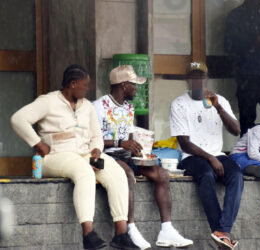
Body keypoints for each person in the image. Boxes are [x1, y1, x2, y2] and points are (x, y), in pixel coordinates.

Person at [11, 65, 138, 250]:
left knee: (117, 173)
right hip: (55, 156)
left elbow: (96, 136)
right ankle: (88, 234)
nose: (87, 89)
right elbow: (18, 119)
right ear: (72, 84)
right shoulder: (48, 101)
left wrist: (96, 151)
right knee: (84, 171)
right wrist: (38, 144)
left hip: (85, 155)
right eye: (84, 85)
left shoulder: (86, 106)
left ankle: (121, 234)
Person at [93, 65, 193, 249]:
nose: (137, 89)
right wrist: (118, 143)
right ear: (123, 85)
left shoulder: (128, 108)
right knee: (128, 174)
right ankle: (130, 228)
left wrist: (141, 150)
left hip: (125, 155)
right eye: (134, 84)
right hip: (107, 156)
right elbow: (92, 140)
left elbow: (130, 140)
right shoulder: (98, 106)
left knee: (161, 174)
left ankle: (166, 229)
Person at [170, 61, 243, 250]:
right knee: (207, 174)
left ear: (207, 79)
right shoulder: (179, 104)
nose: (198, 81)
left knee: (236, 175)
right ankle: (220, 232)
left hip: (218, 154)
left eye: (201, 77)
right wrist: (210, 158)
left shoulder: (220, 100)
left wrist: (219, 108)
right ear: (187, 80)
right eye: (193, 78)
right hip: (190, 157)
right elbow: (184, 143)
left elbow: (236, 131)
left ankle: (222, 231)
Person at [224, 0, 260, 136]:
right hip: (245, 75)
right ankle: (246, 152)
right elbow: (228, 45)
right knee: (247, 119)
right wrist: (253, 42)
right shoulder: (235, 15)